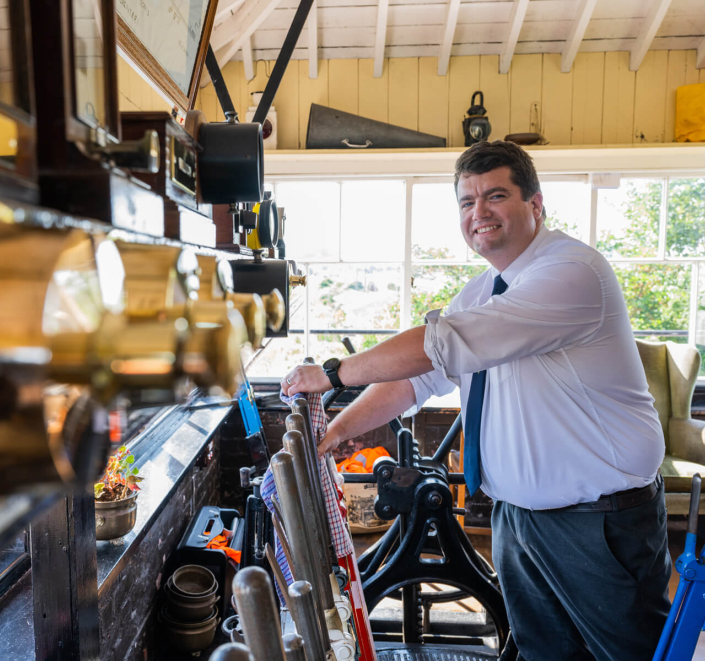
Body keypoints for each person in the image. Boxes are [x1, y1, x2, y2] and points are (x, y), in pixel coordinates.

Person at [280, 140, 671, 661]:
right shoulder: (484, 291)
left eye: (495, 196)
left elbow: (440, 343)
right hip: (517, 517)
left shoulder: (574, 272)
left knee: (625, 654)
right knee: (542, 653)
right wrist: (337, 432)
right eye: (467, 202)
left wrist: (332, 374)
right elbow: (417, 380)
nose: (479, 213)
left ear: (536, 205)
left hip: (594, 522)